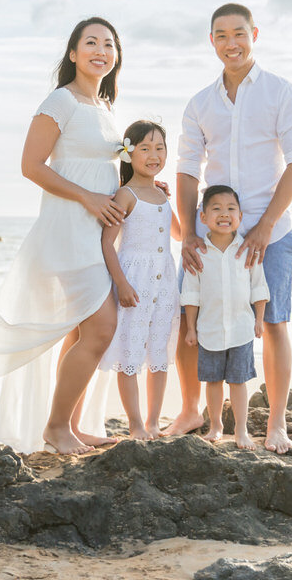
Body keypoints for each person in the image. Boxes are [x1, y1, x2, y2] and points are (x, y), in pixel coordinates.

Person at [0, 17, 126, 455]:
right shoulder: (60, 101)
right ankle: (56, 428)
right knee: (101, 328)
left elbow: (103, 168)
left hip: (97, 234)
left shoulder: (104, 107)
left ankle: (72, 423)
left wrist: (141, 185)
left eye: (108, 44)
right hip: (66, 233)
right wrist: (86, 198)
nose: (100, 50)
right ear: (73, 53)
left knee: (82, 330)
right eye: (91, 42)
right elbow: (32, 166)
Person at [167, 3, 292, 454]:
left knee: (273, 323)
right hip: (212, 238)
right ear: (212, 41)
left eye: (239, 33)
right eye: (221, 35)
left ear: (254, 34)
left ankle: (277, 424)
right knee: (187, 319)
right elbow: (188, 168)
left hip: (272, 233)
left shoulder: (279, 92)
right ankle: (191, 410)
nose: (231, 43)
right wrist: (190, 231)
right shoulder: (200, 103)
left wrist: (265, 226)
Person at [97, 120, 183, 440]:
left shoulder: (161, 195)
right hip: (135, 281)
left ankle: (153, 422)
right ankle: (134, 425)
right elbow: (108, 243)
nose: (153, 155)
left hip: (164, 284)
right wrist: (121, 284)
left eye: (160, 148)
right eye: (145, 148)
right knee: (130, 353)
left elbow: (177, 233)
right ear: (128, 153)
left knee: (159, 353)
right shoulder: (125, 194)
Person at [181, 185, 268, 450]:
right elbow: (191, 294)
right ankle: (216, 425)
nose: (224, 214)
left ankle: (241, 430)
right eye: (216, 209)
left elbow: (259, 287)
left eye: (231, 209)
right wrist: (191, 329)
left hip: (241, 328)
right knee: (213, 380)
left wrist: (259, 320)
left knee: (239, 381)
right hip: (209, 330)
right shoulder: (199, 254)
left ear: (240, 216)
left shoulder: (247, 250)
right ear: (203, 216)